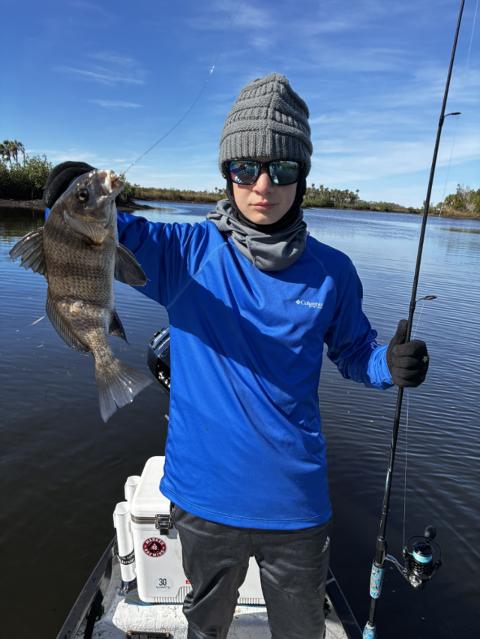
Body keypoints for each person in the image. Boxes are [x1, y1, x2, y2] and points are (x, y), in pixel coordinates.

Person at [44, 73, 429, 639]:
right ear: (227, 174)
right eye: (246, 168)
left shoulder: (334, 272)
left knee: (301, 631)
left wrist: (387, 366)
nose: (263, 185)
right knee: (205, 627)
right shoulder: (185, 252)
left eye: (283, 169)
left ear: (303, 177)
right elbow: (91, 230)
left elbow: (355, 353)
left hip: (296, 505)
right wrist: (68, 189)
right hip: (202, 499)